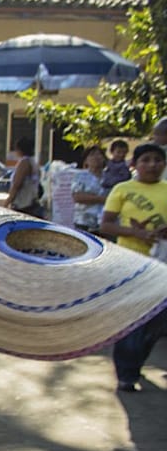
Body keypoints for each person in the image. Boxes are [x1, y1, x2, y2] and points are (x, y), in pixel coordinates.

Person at [101, 142, 167, 392]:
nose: (152, 165)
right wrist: (134, 232)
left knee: (156, 322)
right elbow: (106, 225)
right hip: (130, 263)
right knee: (132, 319)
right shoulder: (122, 189)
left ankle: (135, 364)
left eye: (157, 160)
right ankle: (126, 373)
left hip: (162, 265)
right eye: (146, 160)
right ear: (135, 164)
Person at [71, 145, 108, 235]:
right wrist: (103, 199)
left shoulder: (110, 176)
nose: (96, 157)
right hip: (84, 222)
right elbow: (77, 197)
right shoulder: (80, 176)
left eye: (99, 154)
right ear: (86, 160)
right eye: (92, 155)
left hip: (105, 224)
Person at [4, 137, 43, 217]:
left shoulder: (24, 162)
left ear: (19, 149)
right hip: (32, 203)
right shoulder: (34, 162)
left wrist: (7, 202)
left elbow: (17, 185)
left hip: (22, 205)